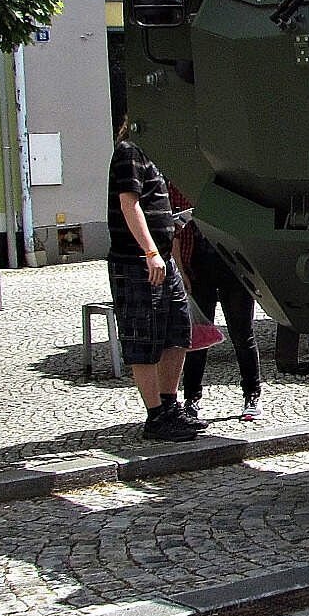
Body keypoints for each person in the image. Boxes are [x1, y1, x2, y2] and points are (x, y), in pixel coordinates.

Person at [108, 127, 201, 442]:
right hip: (138, 262)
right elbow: (129, 204)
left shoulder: (156, 157)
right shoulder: (129, 151)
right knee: (143, 340)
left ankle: (170, 406)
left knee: (178, 333)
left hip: (164, 259)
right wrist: (150, 252)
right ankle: (155, 417)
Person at [173, 195, 263, 423]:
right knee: (197, 337)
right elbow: (175, 231)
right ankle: (191, 398)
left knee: (242, 334)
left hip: (233, 266)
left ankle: (252, 394)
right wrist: (181, 270)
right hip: (198, 266)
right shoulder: (179, 183)